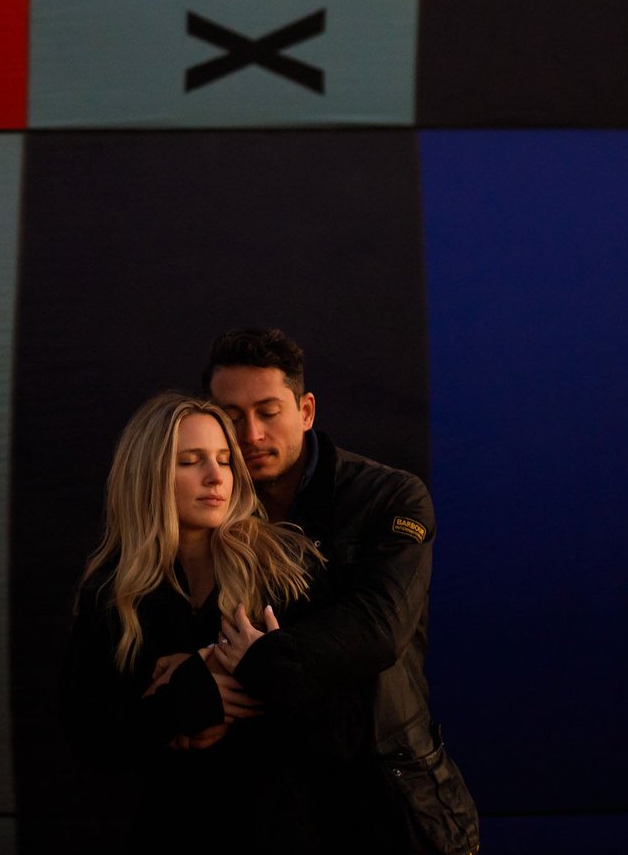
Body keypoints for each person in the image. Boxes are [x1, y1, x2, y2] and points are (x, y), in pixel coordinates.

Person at [205, 328, 481, 855]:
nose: (251, 433)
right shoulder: (204, 511)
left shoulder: (390, 496)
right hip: (270, 810)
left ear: (306, 411)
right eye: (231, 415)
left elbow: (379, 628)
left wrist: (264, 659)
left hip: (394, 802)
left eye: (268, 411)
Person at [58, 389, 323, 851]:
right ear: (149, 475)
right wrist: (185, 699)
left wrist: (224, 673)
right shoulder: (111, 592)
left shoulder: (282, 569)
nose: (216, 476)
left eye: (224, 460)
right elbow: (91, 739)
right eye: (190, 461)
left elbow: (327, 713)